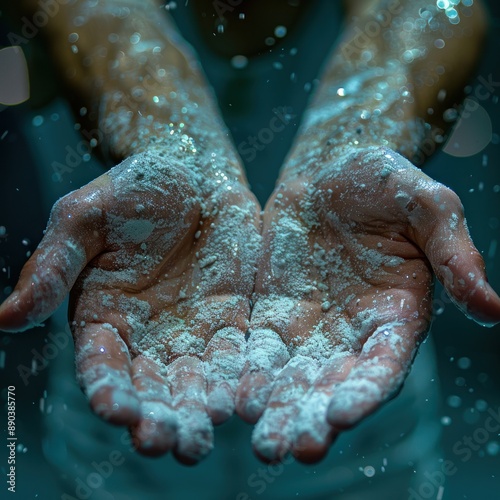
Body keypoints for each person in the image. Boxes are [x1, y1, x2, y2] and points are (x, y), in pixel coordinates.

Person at [1, 0, 499, 480]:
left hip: (360, 431)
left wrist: (353, 139)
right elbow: (96, 15)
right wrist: (173, 142)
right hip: (123, 426)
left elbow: (432, 9)